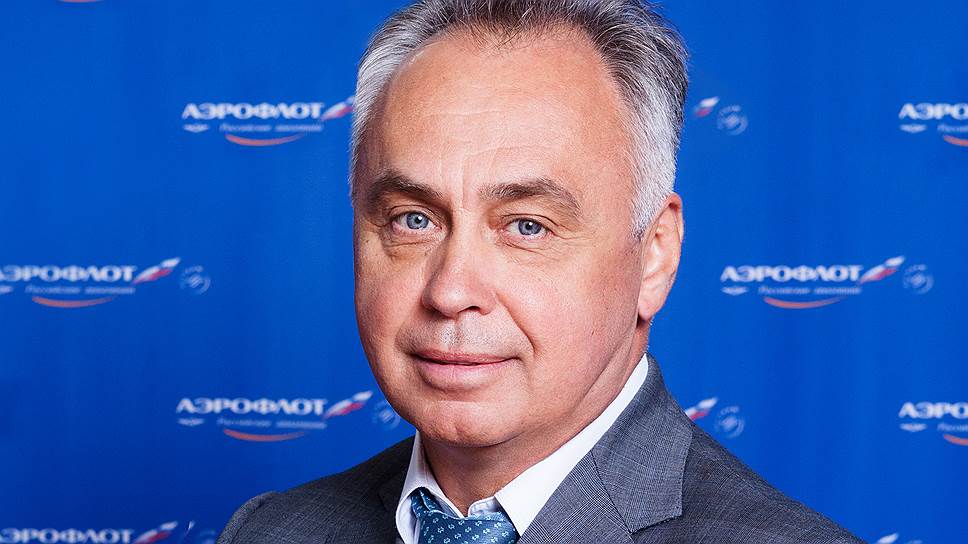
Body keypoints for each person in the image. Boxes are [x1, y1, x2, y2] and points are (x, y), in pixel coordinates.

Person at [216, 1, 863, 542]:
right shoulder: (272, 531)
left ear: (654, 254)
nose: (451, 291)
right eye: (414, 219)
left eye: (527, 226)